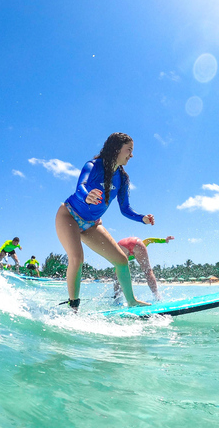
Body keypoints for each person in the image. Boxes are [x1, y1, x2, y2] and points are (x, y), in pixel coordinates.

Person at [55, 132, 153, 312]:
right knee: (77, 258)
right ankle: (73, 307)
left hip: (92, 224)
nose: (131, 155)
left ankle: (131, 301)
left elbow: (125, 208)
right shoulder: (93, 165)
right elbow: (80, 187)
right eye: (129, 150)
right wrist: (87, 196)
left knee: (121, 261)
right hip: (69, 216)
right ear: (116, 149)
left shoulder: (122, 178)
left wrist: (142, 218)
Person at [114, 236, 174, 301]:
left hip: (121, 246)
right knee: (148, 271)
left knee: (117, 274)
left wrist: (116, 271)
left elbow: (117, 269)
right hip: (137, 242)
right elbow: (149, 240)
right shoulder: (142, 243)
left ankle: (117, 298)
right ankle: (157, 296)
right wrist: (164, 240)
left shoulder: (116, 252)